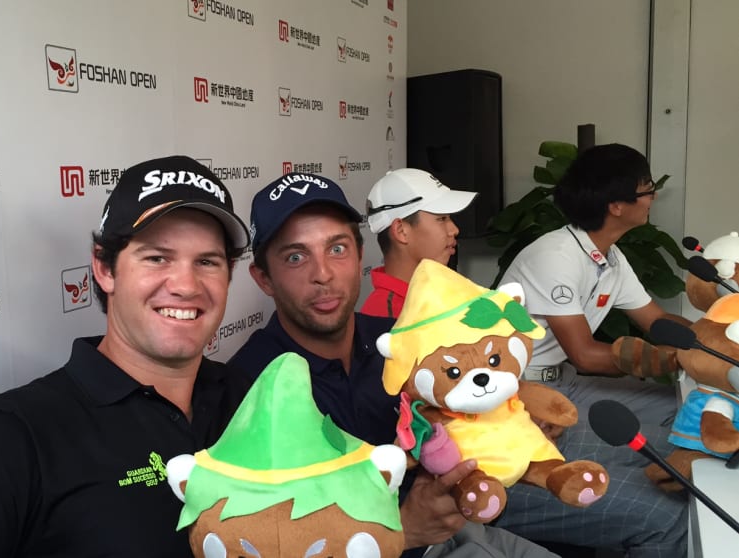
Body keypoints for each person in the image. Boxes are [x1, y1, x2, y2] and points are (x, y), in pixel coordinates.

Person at [0, 156, 253, 557]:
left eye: (207, 262)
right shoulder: (4, 439)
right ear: (104, 268)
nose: (186, 285)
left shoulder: (253, 400)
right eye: (157, 258)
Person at [229, 172, 557, 558]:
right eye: (296, 257)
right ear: (264, 278)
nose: (323, 274)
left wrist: (512, 419)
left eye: (337, 249)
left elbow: (457, 414)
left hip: (462, 529)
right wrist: (401, 530)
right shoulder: (250, 386)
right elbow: (266, 541)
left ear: (360, 256)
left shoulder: (397, 339)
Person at [495, 143, 688, 557]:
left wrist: (718, 337)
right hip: (523, 397)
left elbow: (656, 320)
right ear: (616, 206)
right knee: (668, 496)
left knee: (680, 412)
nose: (653, 196)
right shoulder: (556, 256)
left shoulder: (609, 258)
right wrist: (678, 359)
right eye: (646, 189)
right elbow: (584, 354)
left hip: (562, 382)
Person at [361, 168, 477, 318]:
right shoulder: (386, 318)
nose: (454, 230)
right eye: (441, 219)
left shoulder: (439, 291)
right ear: (401, 231)